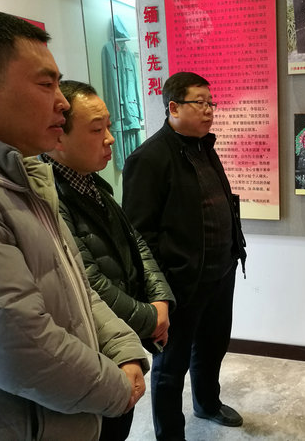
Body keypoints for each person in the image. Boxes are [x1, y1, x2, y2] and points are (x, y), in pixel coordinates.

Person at [0, 10, 148, 440]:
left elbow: (77, 287)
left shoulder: (26, 177)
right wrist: (116, 388)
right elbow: (20, 346)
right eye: (45, 84)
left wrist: (123, 347)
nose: (63, 103)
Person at [42, 80, 176, 441]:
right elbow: (88, 281)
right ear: (58, 136)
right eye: (96, 130)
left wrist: (160, 300)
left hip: (123, 338)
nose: (110, 139)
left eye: (109, 127)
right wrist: (150, 319)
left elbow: (137, 244)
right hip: (96, 347)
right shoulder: (49, 197)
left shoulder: (93, 184)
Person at [122, 71, 247, 441]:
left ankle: (207, 402)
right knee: (170, 366)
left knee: (212, 346)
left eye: (211, 102)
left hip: (220, 272)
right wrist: (161, 286)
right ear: (173, 107)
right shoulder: (149, 158)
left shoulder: (203, 147)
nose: (209, 110)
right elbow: (139, 235)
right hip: (180, 283)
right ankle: (170, 434)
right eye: (200, 102)